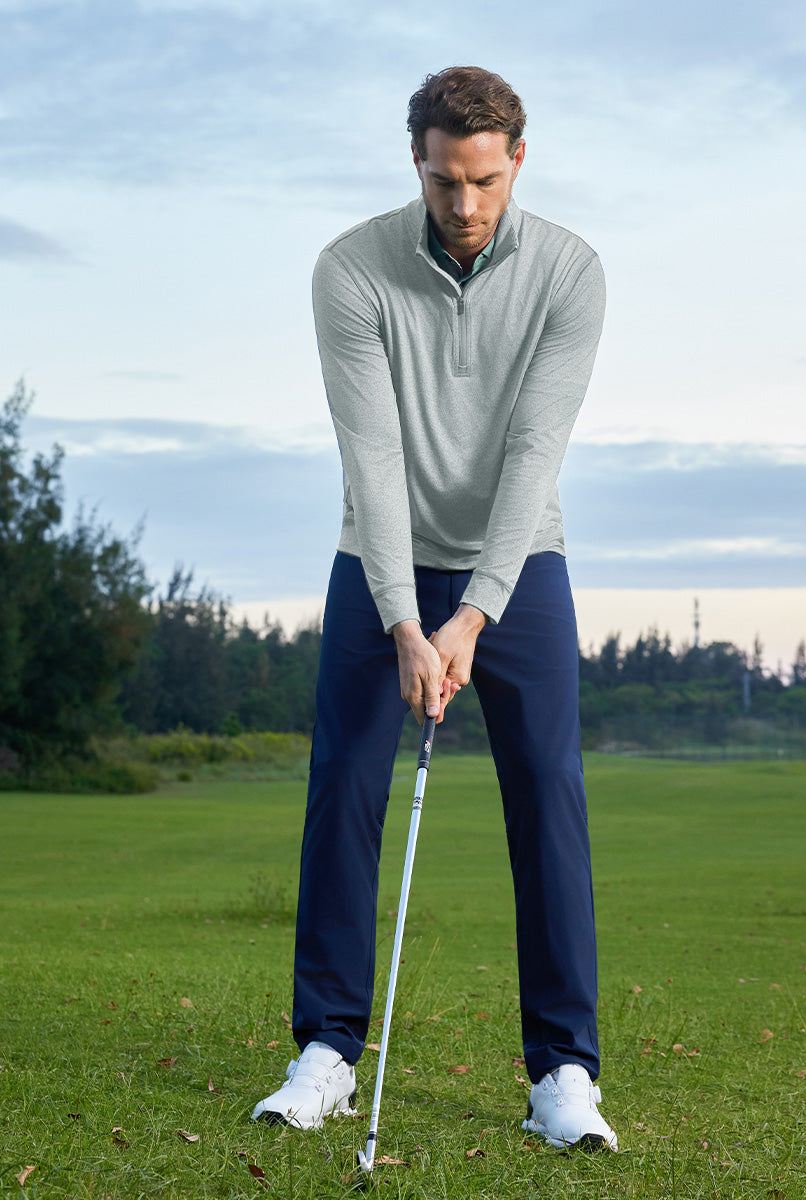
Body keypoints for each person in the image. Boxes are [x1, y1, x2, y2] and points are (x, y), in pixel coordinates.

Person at [252, 65, 617, 1152]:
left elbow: (534, 453)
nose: (465, 204)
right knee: (344, 787)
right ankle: (326, 1052)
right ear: (416, 162)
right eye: (445, 179)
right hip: (382, 556)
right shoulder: (350, 269)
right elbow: (372, 455)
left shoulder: (570, 271)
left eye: (486, 181)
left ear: (518, 161)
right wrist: (408, 622)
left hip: (520, 559)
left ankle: (562, 1071)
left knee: (548, 792)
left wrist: (474, 615)